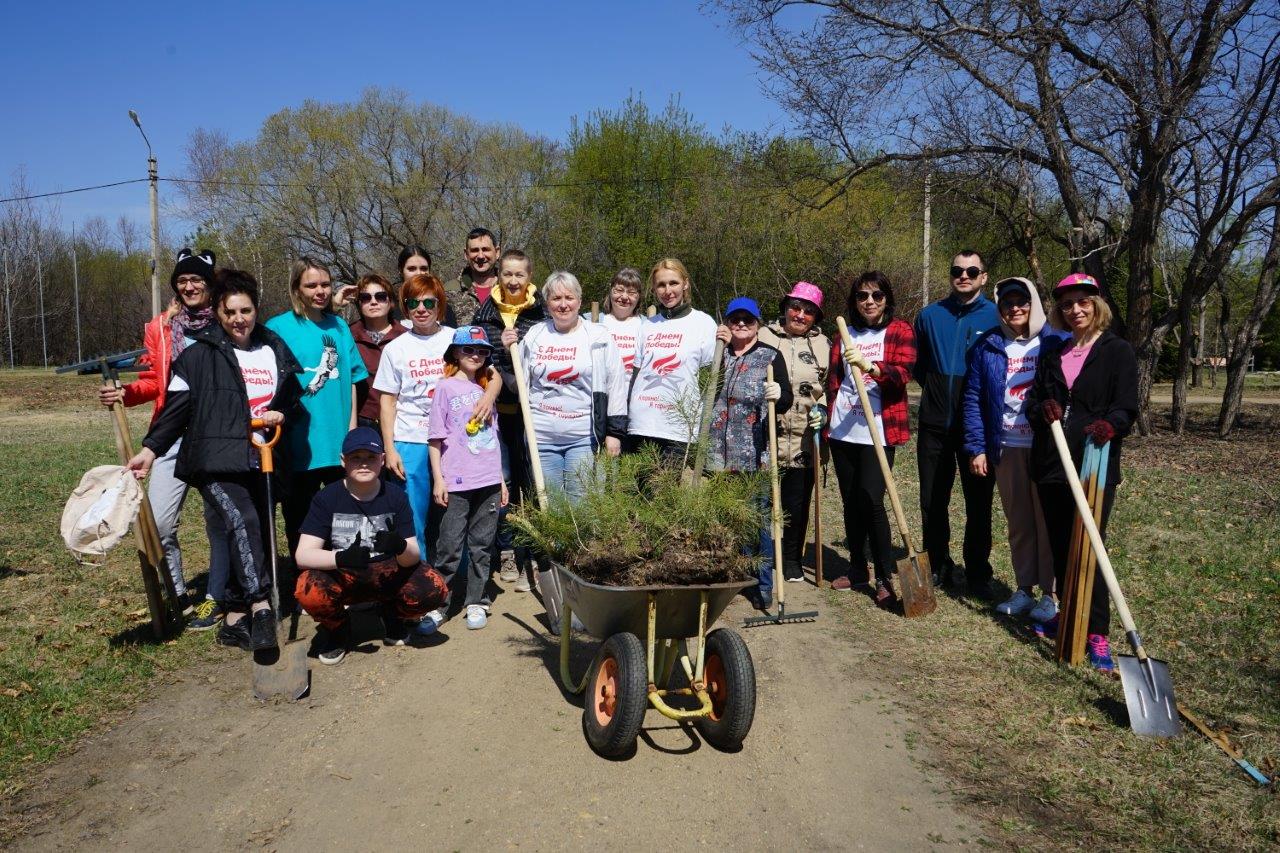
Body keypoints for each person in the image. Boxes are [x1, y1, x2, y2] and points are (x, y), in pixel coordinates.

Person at [126, 269, 303, 652]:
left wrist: (281, 413)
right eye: (230, 312)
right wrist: (150, 450)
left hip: (263, 457)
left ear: (256, 309)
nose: (239, 319)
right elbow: (176, 411)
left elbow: (291, 396)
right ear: (218, 313)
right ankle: (260, 606)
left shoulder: (274, 347)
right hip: (214, 459)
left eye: (246, 310)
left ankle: (234, 618)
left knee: (253, 532)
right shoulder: (197, 356)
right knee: (244, 520)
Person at [98, 248, 230, 629]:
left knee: (218, 521)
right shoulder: (161, 328)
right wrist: (126, 392)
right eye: (182, 281)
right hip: (170, 435)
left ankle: (215, 596)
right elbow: (157, 381)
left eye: (196, 280)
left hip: (214, 436)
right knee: (159, 523)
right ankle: (176, 593)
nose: (189, 287)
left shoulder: (225, 322)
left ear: (209, 285)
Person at [1026, 273, 1139, 673]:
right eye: (1068, 305)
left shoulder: (1117, 351)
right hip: (1053, 462)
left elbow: (1127, 405)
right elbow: (1034, 401)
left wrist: (1110, 426)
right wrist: (1044, 410)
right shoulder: (1054, 353)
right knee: (1061, 545)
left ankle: (1097, 632)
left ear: (1096, 305)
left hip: (1094, 463)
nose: (1075, 310)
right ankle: (1067, 615)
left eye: (1082, 303)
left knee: (1091, 547)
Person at [294, 427, 450, 665]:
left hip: (388, 575)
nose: (364, 464)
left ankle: (391, 613)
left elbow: (412, 557)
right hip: (344, 576)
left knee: (433, 587)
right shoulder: (327, 498)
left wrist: (399, 546)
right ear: (343, 461)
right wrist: (340, 558)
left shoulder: (395, 497)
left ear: (382, 460)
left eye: (371, 457)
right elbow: (303, 555)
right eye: (356, 457)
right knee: (308, 588)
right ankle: (338, 628)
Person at [963, 277, 1067, 622]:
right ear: (1000, 309)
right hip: (1006, 446)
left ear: (1033, 303)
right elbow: (974, 399)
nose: (1015, 309)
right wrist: (977, 448)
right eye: (1007, 303)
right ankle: (1024, 589)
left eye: (1022, 301)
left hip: (1045, 448)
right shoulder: (988, 346)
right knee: (1019, 522)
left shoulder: (1055, 341)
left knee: (1047, 521)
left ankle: (1051, 594)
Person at [265, 258, 368, 562]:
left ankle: (347, 578)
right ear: (297, 288)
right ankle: (307, 580)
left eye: (325, 284)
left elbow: (352, 379)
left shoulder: (338, 326)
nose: (320, 291)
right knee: (302, 519)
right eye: (311, 285)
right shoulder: (278, 327)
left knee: (345, 516)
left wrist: (351, 428)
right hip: (300, 442)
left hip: (338, 440)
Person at [826, 272, 917, 606]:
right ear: (854, 301)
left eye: (877, 296)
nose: (869, 301)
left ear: (886, 300)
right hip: (843, 429)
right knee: (851, 500)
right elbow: (834, 380)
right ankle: (856, 568)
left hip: (879, 429)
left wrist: (872, 367)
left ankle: (883, 575)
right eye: (862, 296)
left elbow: (904, 371)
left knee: (871, 499)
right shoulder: (843, 333)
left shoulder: (899, 331)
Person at [913, 250, 1001, 595]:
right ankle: (937, 563)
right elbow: (919, 366)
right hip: (934, 424)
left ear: (983, 276)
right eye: (957, 270)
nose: (963, 276)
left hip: (976, 427)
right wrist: (937, 394)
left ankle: (978, 572)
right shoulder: (930, 316)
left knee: (978, 502)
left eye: (972, 270)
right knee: (932, 498)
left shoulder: (997, 316)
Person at [709, 297, 793, 611]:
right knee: (731, 517)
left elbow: (786, 398)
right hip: (721, 451)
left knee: (759, 519)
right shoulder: (720, 354)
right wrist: (717, 350)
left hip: (756, 452)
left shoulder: (771, 356)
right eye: (735, 319)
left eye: (748, 319)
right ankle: (738, 577)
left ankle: (764, 583)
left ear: (757, 322)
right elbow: (706, 387)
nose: (741, 324)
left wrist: (779, 394)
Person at [427, 327, 509, 630]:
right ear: (455, 354)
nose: (475, 355)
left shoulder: (485, 390)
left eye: (482, 351)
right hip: (457, 482)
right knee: (449, 546)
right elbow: (435, 439)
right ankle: (439, 604)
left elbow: (494, 438)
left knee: (482, 545)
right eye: (468, 350)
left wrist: (500, 480)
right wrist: (439, 478)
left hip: (487, 480)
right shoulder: (445, 388)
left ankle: (477, 601)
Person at [520, 271, 629, 499]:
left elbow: (616, 385)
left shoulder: (598, 337)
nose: (563, 305)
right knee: (551, 504)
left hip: (583, 438)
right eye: (555, 298)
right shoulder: (534, 335)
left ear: (579, 301)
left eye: (569, 298)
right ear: (547, 303)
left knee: (583, 504)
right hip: (541, 437)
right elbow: (519, 383)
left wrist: (614, 433)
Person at [475, 249, 547, 592]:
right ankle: (507, 552)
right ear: (498, 277)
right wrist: (503, 349)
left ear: (529, 277)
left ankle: (532, 556)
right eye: (508, 275)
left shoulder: (540, 313)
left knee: (532, 485)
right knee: (502, 487)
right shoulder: (486, 314)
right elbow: (477, 360)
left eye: (520, 274)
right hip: (497, 419)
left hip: (533, 418)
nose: (514, 281)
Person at [759, 281, 831, 583]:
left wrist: (823, 410)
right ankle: (760, 557)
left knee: (797, 501)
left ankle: (790, 558)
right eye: (795, 308)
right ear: (785, 308)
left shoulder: (823, 345)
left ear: (815, 317)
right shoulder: (763, 335)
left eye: (808, 311)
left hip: (804, 436)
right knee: (762, 501)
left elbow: (829, 388)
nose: (800, 315)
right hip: (766, 434)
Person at [627, 258, 718, 462]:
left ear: (685, 283)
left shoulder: (703, 323)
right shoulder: (647, 325)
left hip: (678, 426)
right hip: (642, 422)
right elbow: (636, 374)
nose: (667, 290)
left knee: (668, 491)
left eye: (673, 283)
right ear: (654, 289)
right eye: (661, 285)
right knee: (640, 491)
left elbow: (710, 382)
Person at [349, 274, 405, 430]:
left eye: (380, 296)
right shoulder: (347, 336)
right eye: (366, 298)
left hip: (402, 418)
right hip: (364, 420)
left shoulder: (407, 336)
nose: (373, 302)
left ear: (391, 302)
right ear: (359, 303)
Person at [594, 267, 647, 380]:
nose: (624, 297)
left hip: (634, 394)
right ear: (610, 290)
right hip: (602, 394)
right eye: (619, 290)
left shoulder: (647, 325)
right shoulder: (592, 322)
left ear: (639, 296)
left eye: (631, 292)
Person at [446, 228, 500, 326]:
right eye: (475, 250)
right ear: (466, 254)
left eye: (485, 249)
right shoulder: (449, 291)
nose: (480, 256)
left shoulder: (512, 288)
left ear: (497, 252)